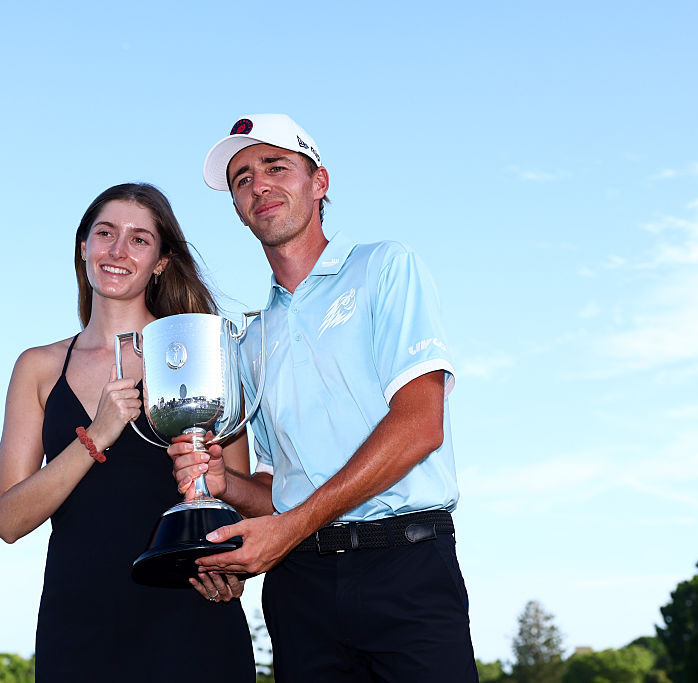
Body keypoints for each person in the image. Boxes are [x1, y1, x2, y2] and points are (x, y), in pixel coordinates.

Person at [169, 115, 479, 681]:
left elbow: (419, 423)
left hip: (405, 570)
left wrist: (289, 527)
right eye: (241, 179)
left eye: (275, 166)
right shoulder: (250, 339)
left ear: (320, 183)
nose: (258, 185)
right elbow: (277, 488)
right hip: (301, 592)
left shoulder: (385, 267)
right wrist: (225, 485)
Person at [0, 183, 256, 682]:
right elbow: (8, 519)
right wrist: (96, 435)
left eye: (139, 239)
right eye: (105, 234)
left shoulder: (202, 354)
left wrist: (230, 569)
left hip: (190, 624)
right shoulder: (38, 368)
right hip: (79, 631)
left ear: (160, 261)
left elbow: (239, 501)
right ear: (84, 247)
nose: (117, 251)